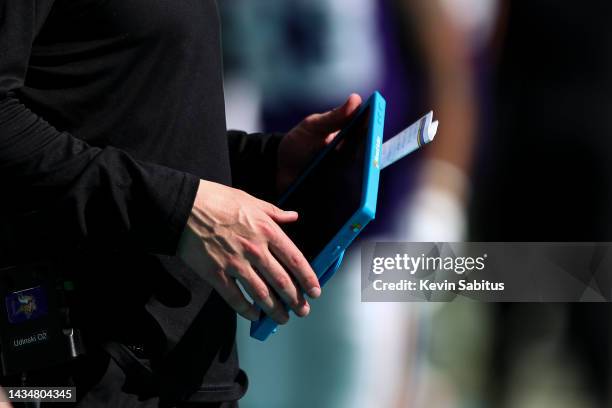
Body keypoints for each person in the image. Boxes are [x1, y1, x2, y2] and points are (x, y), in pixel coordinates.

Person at [0, 0, 363, 406]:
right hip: (79, 366)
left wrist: (262, 164)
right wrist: (179, 207)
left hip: (190, 366)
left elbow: (120, 121)